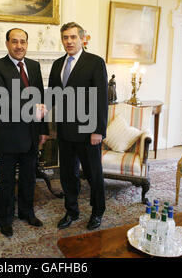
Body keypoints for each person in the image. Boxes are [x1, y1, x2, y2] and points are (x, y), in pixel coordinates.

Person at [0, 28, 48, 237]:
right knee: (6, 181)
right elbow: (1, 101)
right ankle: (4, 219)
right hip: (9, 135)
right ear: (7, 44)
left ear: (27, 44)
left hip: (31, 134)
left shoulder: (34, 66)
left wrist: (43, 129)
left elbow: (41, 98)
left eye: (23, 41)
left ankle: (26, 212)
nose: (19, 46)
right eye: (14, 41)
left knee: (29, 177)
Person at [48, 22, 108, 230]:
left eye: (73, 37)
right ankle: (71, 211)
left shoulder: (95, 62)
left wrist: (98, 130)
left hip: (88, 131)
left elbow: (101, 98)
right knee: (67, 174)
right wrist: (52, 127)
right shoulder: (57, 64)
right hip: (64, 131)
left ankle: (98, 211)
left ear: (83, 39)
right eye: (65, 37)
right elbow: (54, 97)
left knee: (93, 174)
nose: (69, 41)